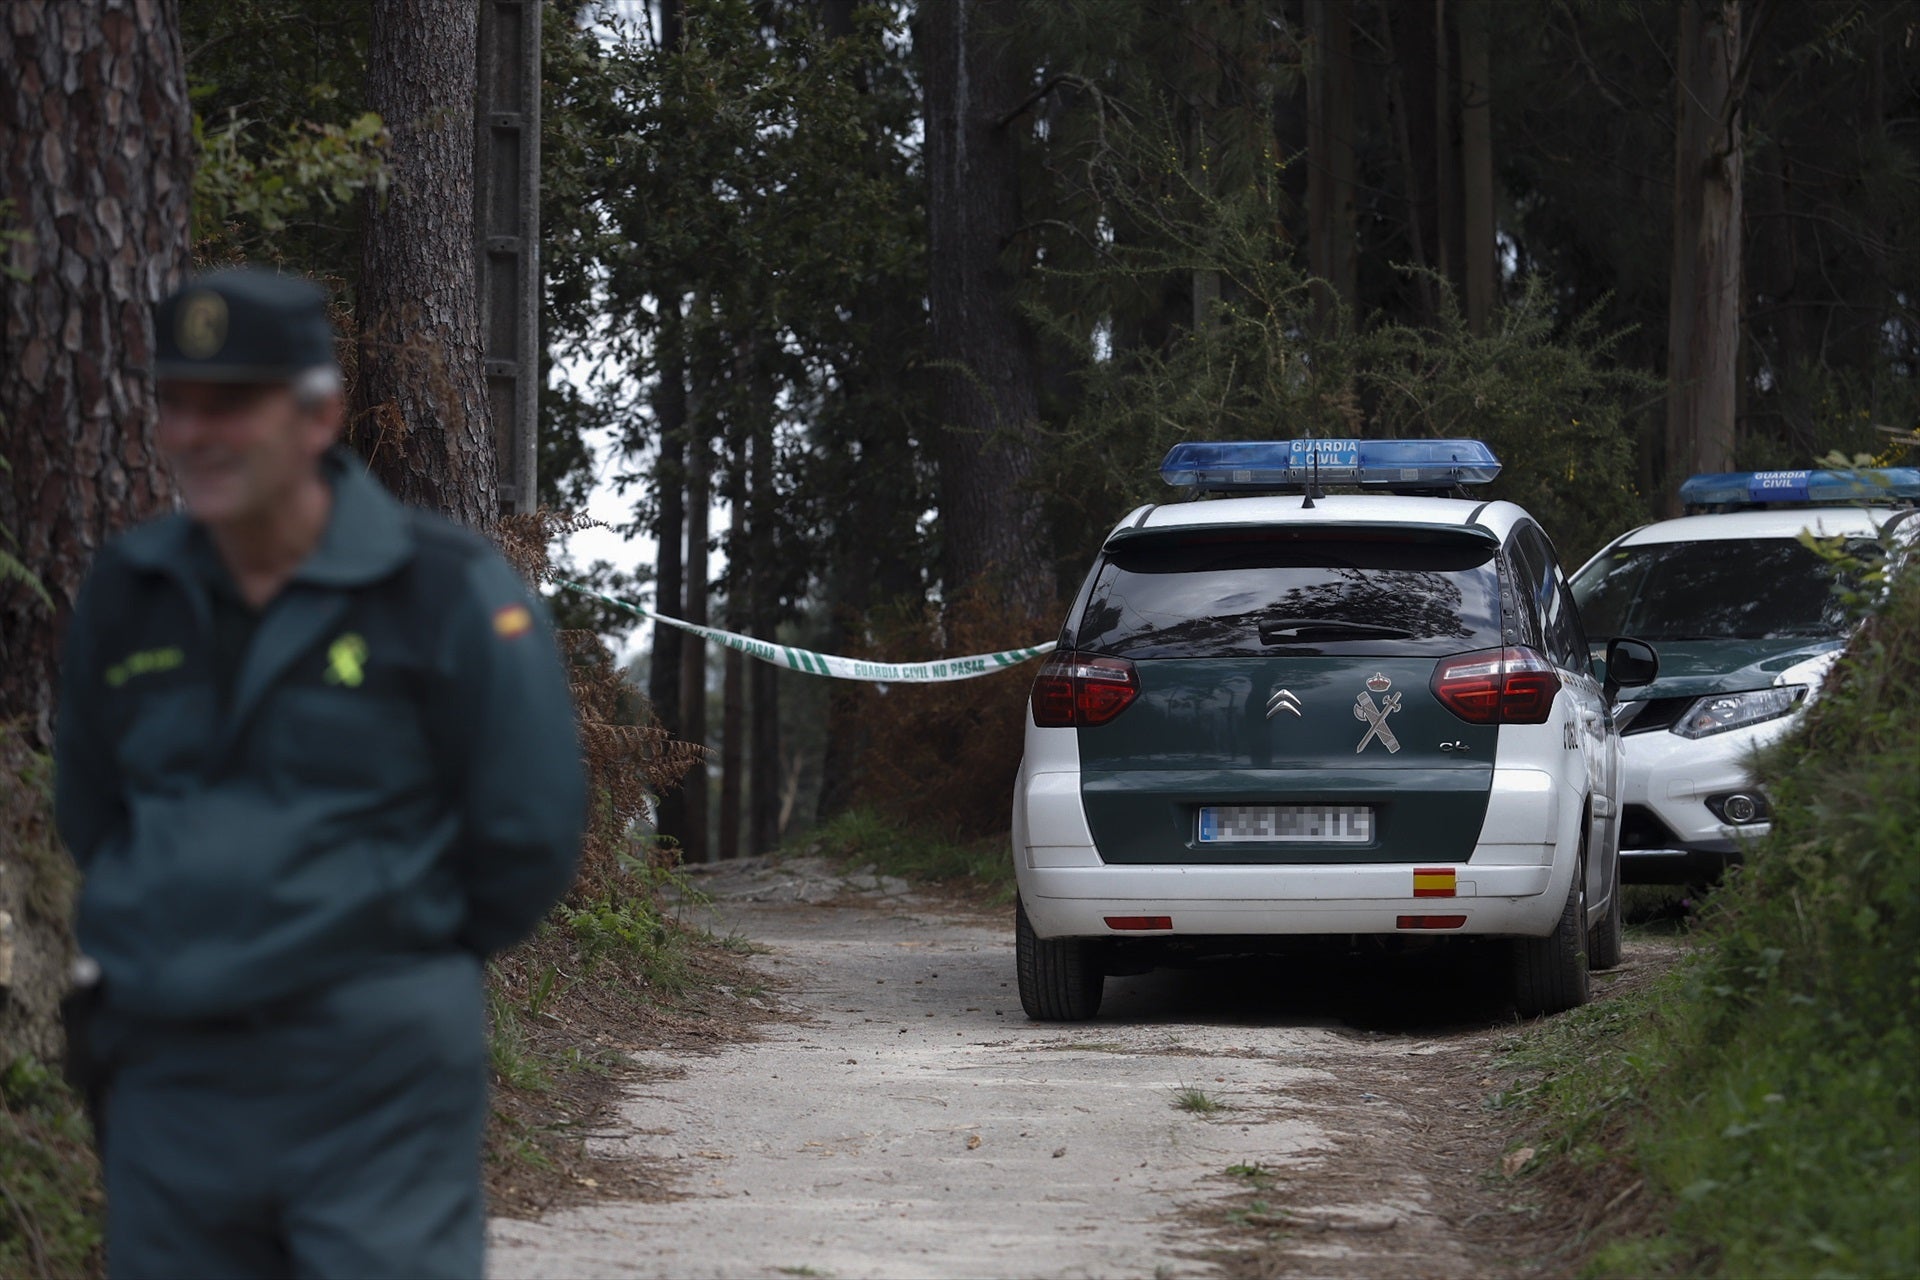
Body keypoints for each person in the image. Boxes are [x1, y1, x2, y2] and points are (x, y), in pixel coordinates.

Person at [53, 268, 586, 1278]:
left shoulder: (444, 590)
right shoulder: (132, 589)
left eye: (231, 404)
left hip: (375, 1082)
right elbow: (92, 810)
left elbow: (527, 831)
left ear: (318, 416)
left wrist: (390, 956)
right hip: (173, 1079)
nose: (196, 433)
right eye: (176, 403)